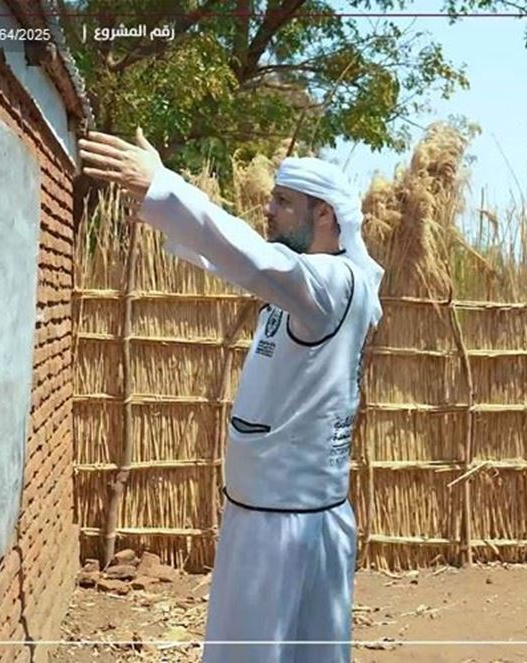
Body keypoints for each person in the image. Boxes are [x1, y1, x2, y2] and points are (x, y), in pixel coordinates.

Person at [78, 129, 383, 663]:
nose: (269, 210)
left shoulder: (333, 284)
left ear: (326, 217)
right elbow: (234, 259)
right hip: (275, 513)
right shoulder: (299, 290)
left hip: (287, 523)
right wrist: (158, 207)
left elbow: (253, 260)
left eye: (284, 203)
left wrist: (164, 190)